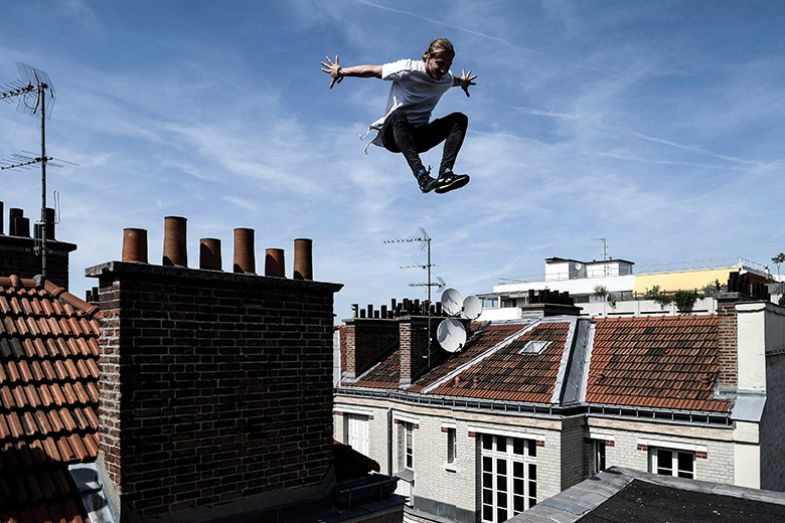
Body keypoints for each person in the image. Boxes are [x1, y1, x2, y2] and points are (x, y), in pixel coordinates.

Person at [321, 38, 477, 193]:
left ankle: (445, 174)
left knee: (459, 119)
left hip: (418, 139)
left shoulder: (446, 79)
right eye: (440, 64)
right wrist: (341, 71)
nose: (443, 70)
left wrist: (463, 82)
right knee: (399, 113)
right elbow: (372, 70)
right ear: (428, 57)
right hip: (392, 136)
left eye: (448, 65)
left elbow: (454, 80)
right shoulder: (407, 69)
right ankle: (422, 177)